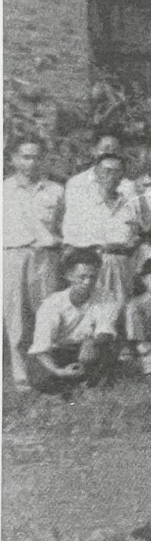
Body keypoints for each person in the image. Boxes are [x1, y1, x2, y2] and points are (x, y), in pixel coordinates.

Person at [4, 136, 64, 391]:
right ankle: (21, 375)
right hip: (12, 256)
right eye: (26, 157)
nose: (32, 162)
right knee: (16, 318)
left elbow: (63, 226)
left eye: (37, 157)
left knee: (46, 314)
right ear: (13, 159)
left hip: (46, 256)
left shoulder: (56, 190)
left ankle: (48, 372)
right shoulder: (3, 190)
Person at [26, 249, 120, 393]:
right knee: (39, 375)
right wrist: (59, 371)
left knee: (109, 349)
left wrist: (91, 342)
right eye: (82, 277)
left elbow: (106, 330)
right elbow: (41, 348)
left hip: (87, 349)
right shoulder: (52, 304)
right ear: (68, 276)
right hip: (57, 352)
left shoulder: (105, 297)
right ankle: (71, 382)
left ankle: (86, 382)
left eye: (92, 277)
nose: (88, 282)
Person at [62, 152, 144, 304]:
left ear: (122, 176)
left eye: (117, 172)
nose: (111, 176)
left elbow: (138, 234)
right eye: (107, 171)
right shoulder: (83, 204)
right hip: (93, 264)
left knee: (121, 307)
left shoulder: (129, 204)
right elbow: (71, 239)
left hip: (122, 265)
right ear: (97, 174)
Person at [63, 127, 135, 221]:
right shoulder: (77, 183)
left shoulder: (128, 186)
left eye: (115, 150)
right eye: (106, 148)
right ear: (93, 151)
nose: (110, 153)